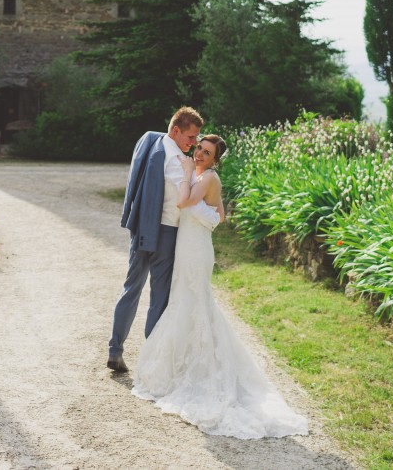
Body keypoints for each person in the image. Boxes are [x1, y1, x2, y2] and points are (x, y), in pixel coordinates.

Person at [131, 135, 309, 439]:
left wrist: (187, 174)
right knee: (184, 301)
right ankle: (181, 364)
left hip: (196, 250)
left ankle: (199, 369)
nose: (199, 153)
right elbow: (220, 215)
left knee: (195, 302)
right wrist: (206, 210)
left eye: (206, 152)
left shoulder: (208, 177)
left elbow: (184, 201)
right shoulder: (205, 177)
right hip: (189, 243)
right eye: (199, 148)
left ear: (215, 159)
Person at [108, 106, 204, 373]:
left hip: (141, 228)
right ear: (175, 130)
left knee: (131, 289)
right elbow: (187, 200)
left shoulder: (152, 142)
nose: (194, 143)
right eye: (191, 137)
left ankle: (115, 350)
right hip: (164, 234)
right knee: (159, 298)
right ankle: (151, 360)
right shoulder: (176, 161)